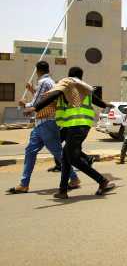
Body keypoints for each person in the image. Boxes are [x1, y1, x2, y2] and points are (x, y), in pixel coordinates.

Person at [28, 67, 115, 199]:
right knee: (65, 156)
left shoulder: (67, 84)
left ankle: (102, 181)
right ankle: (63, 191)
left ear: (69, 76)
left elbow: (54, 95)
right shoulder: (84, 88)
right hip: (79, 126)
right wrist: (107, 104)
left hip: (76, 126)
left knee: (72, 157)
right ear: (81, 76)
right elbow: (98, 101)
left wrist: (35, 107)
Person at [7, 61, 80, 194]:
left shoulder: (43, 82)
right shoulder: (50, 82)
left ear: (37, 71)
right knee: (30, 151)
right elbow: (43, 98)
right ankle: (24, 183)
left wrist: (24, 104)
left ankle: (74, 178)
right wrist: (31, 90)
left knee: (58, 153)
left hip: (47, 123)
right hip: (41, 123)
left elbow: (36, 103)